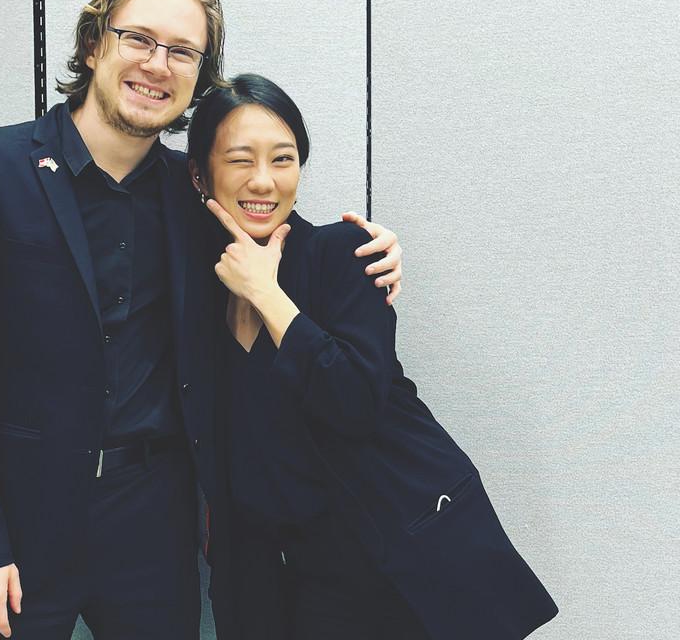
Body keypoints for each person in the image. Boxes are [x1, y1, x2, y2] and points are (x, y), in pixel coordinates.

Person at [0, 0, 404, 640]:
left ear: (199, 77)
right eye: (138, 38)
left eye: (182, 51)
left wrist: (370, 250)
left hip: (154, 525)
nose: (157, 64)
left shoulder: (193, 193)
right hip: (20, 526)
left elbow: (277, 228)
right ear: (93, 45)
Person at [188, 74, 559, 640]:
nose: (263, 180)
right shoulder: (195, 286)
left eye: (283, 159)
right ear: (200, 175)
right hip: (267, 574)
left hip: (379, 559)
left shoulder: (344, 255)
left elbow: (354, 399)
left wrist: (267, 294)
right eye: (241, 160)